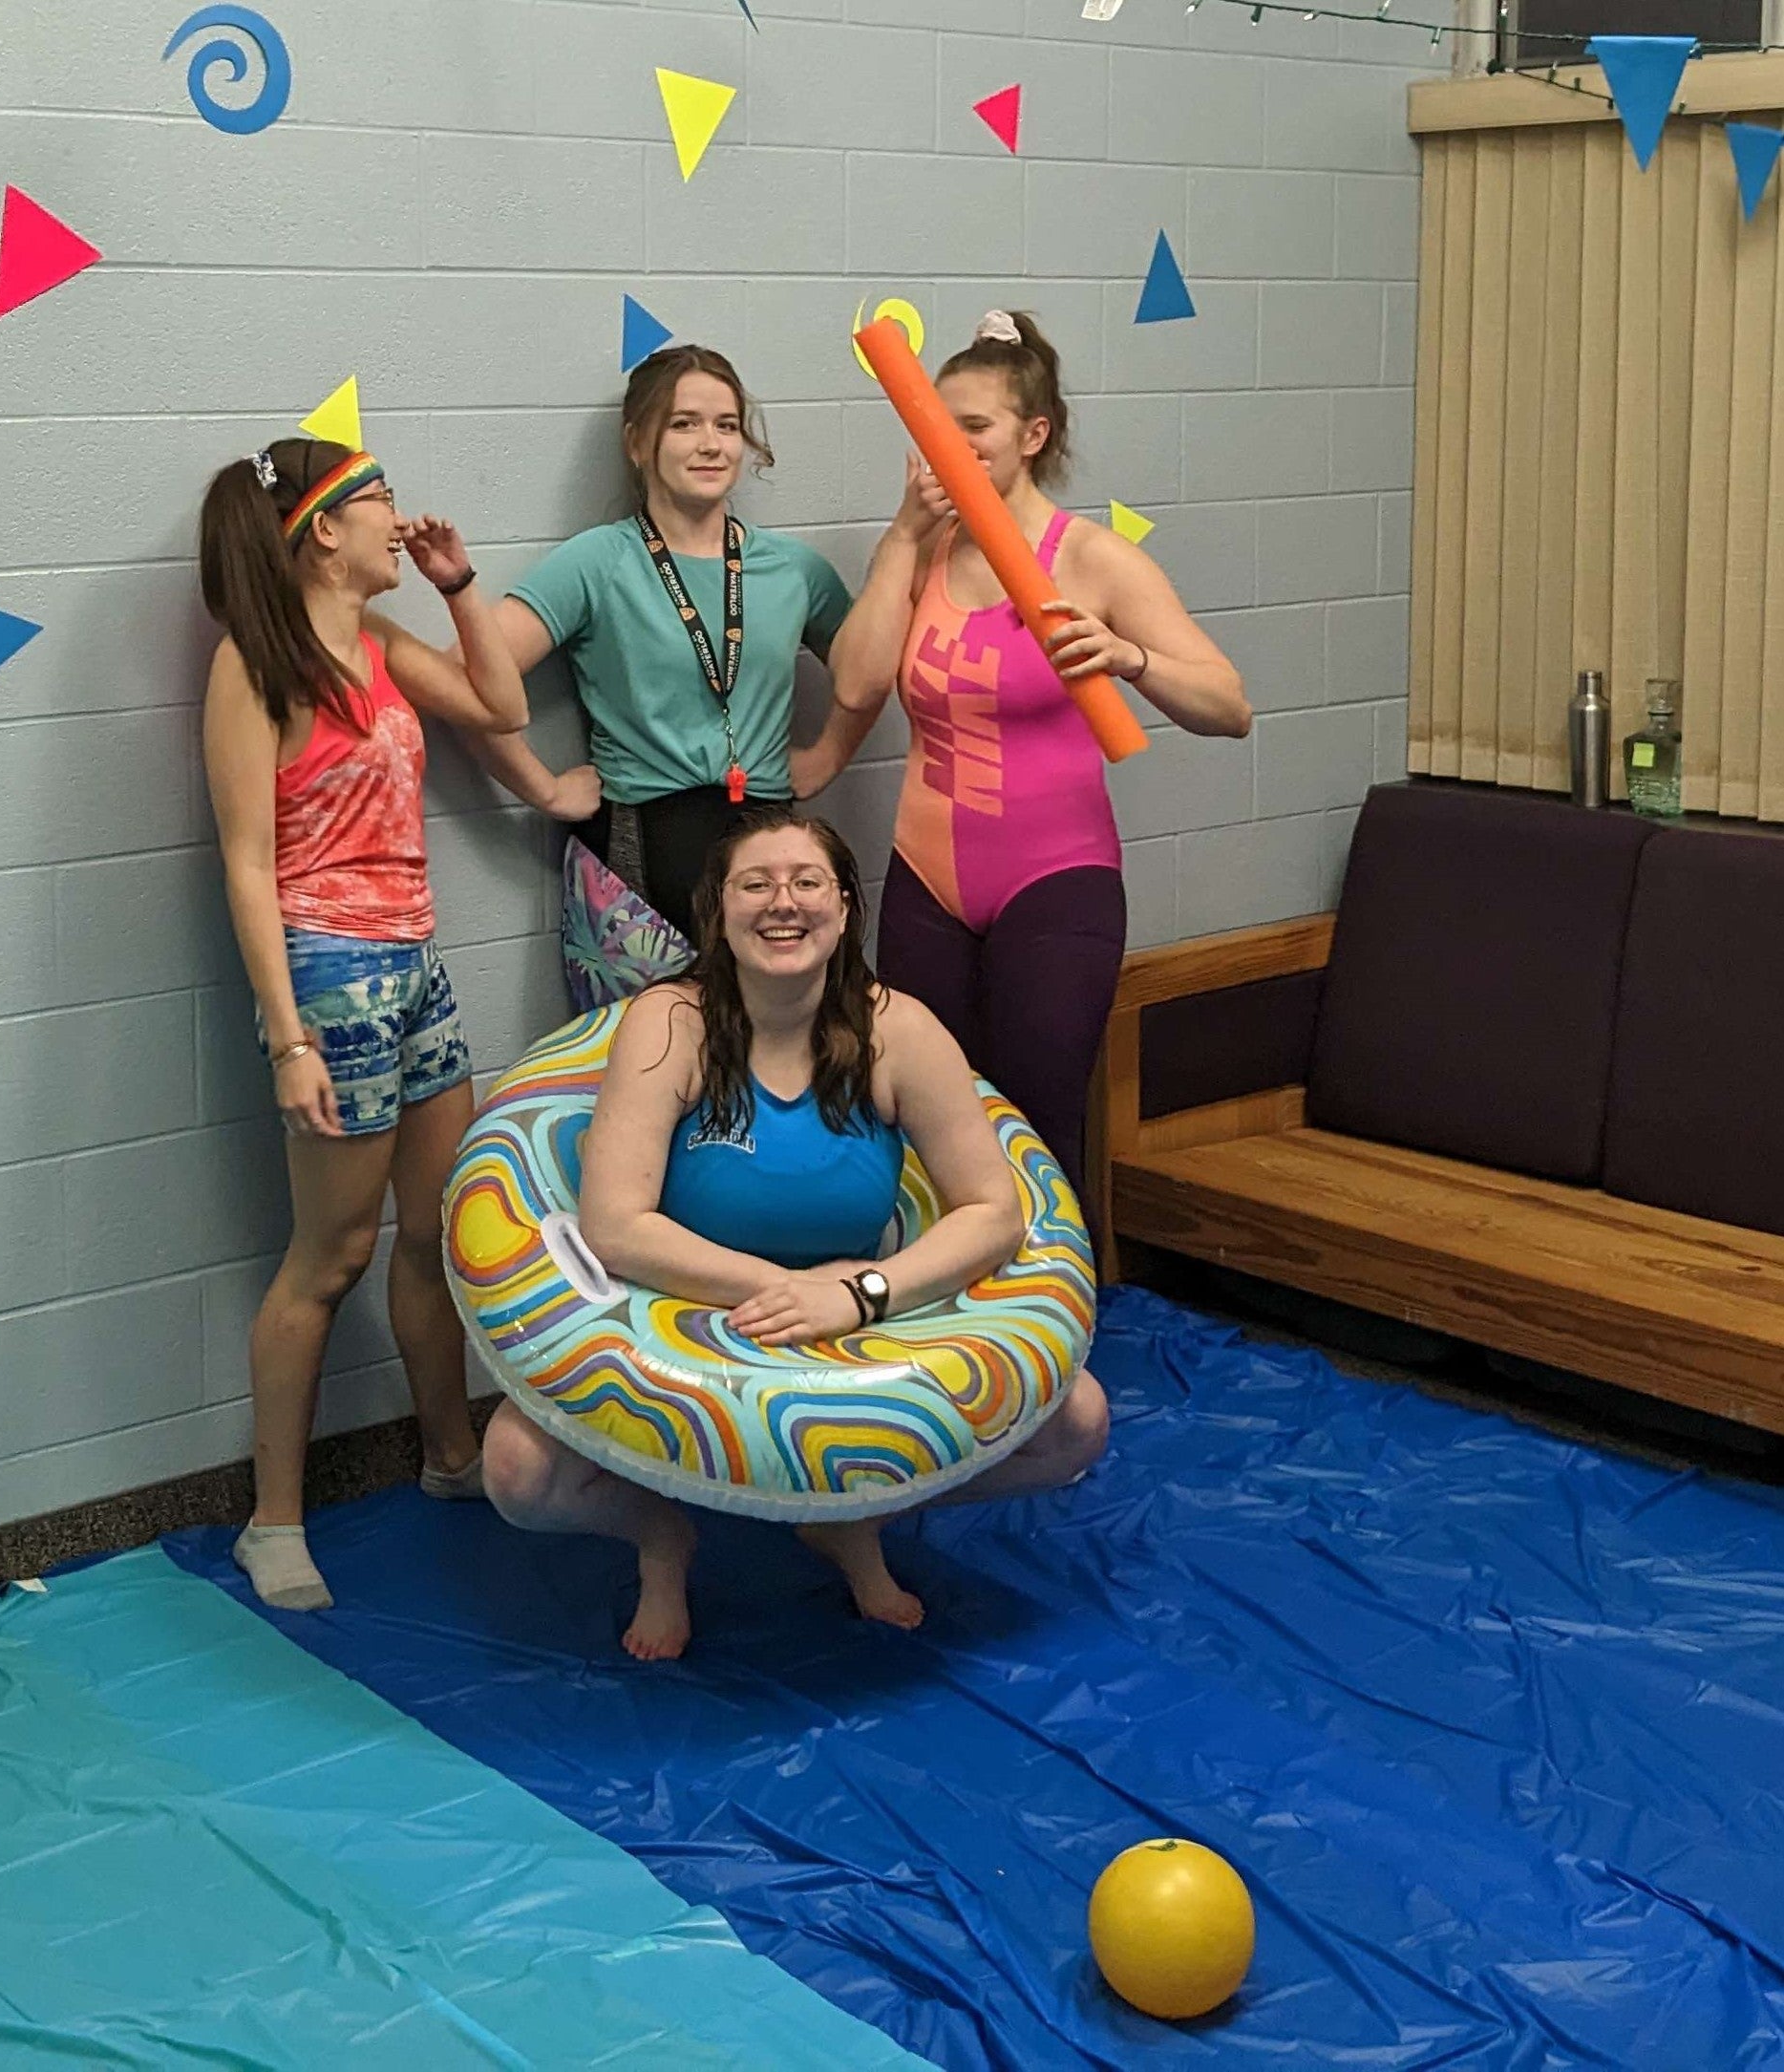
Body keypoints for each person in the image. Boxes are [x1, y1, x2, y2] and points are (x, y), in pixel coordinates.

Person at [478, 808, 1112, 1661]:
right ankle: (661, 1540)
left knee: (1076, 1420)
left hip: (853, 1309)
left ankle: (855, 1518)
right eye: (756, 883)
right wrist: (778, 1292)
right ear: (719, 910)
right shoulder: (670, 1025)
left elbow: (992, 1211)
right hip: (688, 1311)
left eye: (807, 882)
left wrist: (857, 1294)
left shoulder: (900, 1032)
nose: (784, 903)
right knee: (518, 1469)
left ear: (845, 907)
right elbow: (615, 1225)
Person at [793, 310, 1252, 1208]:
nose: (947, 447)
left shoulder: (1090, 559)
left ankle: (1057, 1334)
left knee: (1034, 1124)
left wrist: (1132, 660)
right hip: (927, 878)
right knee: (923, 1117)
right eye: (935, 426)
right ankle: (946, 1324)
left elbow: (1228, 707)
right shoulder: (924, 549)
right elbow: (854, 685)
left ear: (1032, 436)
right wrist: (897, 538)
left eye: (972, 428)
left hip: (1055, 880)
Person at [198, 436, 529, 1611]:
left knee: (435, 1232)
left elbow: (503, 703)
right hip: (328, 972)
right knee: (328, 1257)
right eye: (381, 499)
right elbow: (246, 866)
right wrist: (288, 1038)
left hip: (416, 959)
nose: (402, 515)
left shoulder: (384, 644)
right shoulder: (256, 667)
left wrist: (459, 588)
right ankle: (273, 1521)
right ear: (324, 529)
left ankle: (449, 1458)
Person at [463, 346, 858, 1004]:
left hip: (770, 860)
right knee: (643, 1079)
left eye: (726, 425)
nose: (710, 444)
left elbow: (871, 673)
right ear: (637, 442)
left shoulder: (794, 569)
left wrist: (832, 749)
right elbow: (465, 680)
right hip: (637, 866)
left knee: (775, 1076)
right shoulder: (597, 561)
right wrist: (540, 787)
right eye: (683, 424)